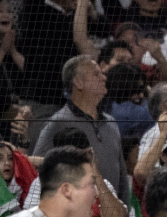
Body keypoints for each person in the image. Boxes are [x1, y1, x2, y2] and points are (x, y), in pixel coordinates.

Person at [33, 56, 130, 202]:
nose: (104, 77)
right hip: (76, 215)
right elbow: (38, 169)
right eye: (96, 74)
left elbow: (122, 175)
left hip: (112, 215)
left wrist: (125, 215)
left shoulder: (110, 122)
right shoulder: (58, 123)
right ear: (78, 82)